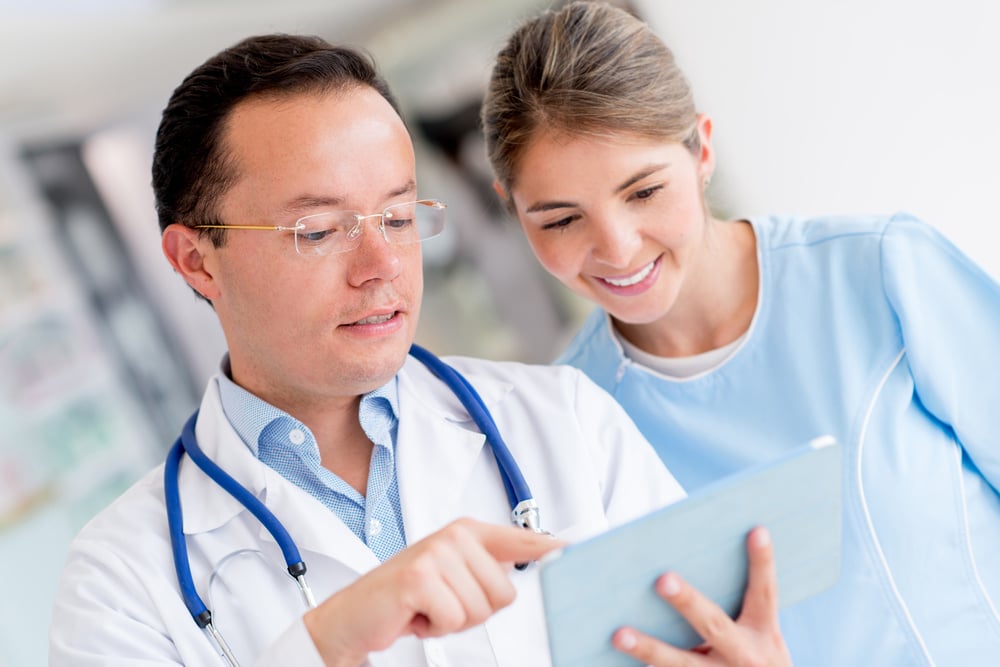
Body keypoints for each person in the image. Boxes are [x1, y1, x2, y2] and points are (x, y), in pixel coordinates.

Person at [48, 34, 794, 666]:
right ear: (196, 260)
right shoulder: (124, 576)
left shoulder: (565, 423)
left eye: (399, 216)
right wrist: (327, 640)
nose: (382, 264)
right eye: (318, 230)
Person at [480, 2, 1000, 665]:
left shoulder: (882, 272)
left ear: (701, 148)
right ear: (512, 207)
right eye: (560, 220)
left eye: (643, 192)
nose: (616, 247)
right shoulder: (564, 423)